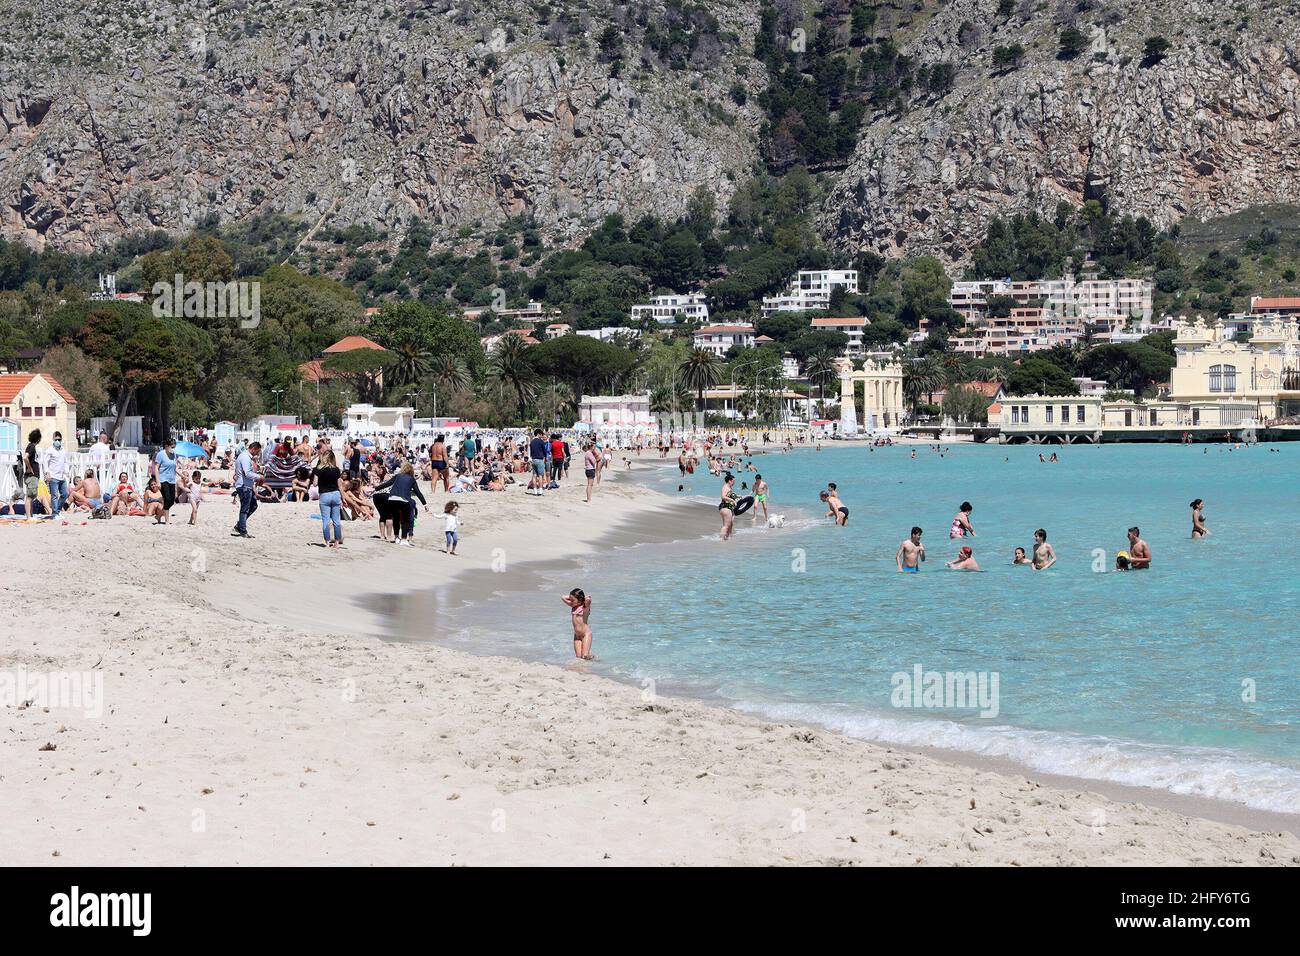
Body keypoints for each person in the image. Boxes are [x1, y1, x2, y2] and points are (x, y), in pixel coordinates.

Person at [374, 462, 426, 545]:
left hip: (392, 499)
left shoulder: (397, 476)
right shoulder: (411, 479)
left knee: (396, 518)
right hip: (404, 500)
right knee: (405, 520)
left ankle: (396, 537)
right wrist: (424, 504)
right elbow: (418, 492)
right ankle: (404, 539)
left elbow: (387, 484)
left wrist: (377, 488)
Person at [313, 449, 343, 549]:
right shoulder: (336, 470)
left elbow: (315, 484)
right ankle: (337, 543)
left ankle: (327, 542)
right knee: (336, 520)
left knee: (326, 520)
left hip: (324, 495)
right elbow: (340, 486)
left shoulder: (319, 469)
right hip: (335, 494)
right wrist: (343, 498)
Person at [232, 441, 262, 538]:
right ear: (253, 449)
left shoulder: (244, 457)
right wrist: (259, 477)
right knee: (245, 509)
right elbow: (247, 473)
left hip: (246, 486)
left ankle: (239, 525)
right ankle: (243, 531)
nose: (257, 454)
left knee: (253, 506)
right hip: (244, 486)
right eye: (257, 452)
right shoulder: (245, 457)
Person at [42, 431, 71, 516]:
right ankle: (55, 513)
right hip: (53, 476)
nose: (57, 441)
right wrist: (47, 473)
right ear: (53, 439)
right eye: (56, 439)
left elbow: (65, 461)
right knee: (54, 496)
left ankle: (57, 510)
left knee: (65, 494)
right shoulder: (49, 450)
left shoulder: (63, 450)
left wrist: (67, 471)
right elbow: (45, 462)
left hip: (62, 476)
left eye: (59, 439)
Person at [562, 588, 594, 660]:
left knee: (584, 656)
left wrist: (583, 598)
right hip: (577, 636)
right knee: (579, 657)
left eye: (572, 600)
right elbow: (563, 597)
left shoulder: (585, 608)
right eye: (570, 599)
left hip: (586, 634)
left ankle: (593, 661)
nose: (570, 601)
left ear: (579, 600)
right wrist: (572, 597)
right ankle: (591, 658)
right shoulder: (573, 606)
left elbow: (588, 600)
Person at [154, 438, 177, 524]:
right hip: (163, 480)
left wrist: (182, 475)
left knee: (171, 501)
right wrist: (158, 481)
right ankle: (167, 521)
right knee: (167, 499)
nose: (173, 449)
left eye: (174, 447)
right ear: (166, 446)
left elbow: (175, 467)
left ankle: (159, 516)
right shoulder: (161, 454)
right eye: (172, 447)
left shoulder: (174, 454)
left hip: (172, 480)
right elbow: (156, 467)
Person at [22, 428, 41, 518]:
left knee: (31, 496)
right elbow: (25, 457)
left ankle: (31, 515)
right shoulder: (31, 447)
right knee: (30, 496)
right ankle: (29, 516)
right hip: (31, 476)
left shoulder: (31, 446)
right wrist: (30, 468)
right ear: (38, 439)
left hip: (32, 476)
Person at [718, 472, 738, 540]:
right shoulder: (725, 487)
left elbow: (730, 496)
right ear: (729, 481)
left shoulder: (729, 487)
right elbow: (723, 497)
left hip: (730, 508)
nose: (734, 483)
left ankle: (728, 537)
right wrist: (732, 501)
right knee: (726, 526)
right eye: (733, 481)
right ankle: (721, 540)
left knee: (731, 524)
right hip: (725, 507)